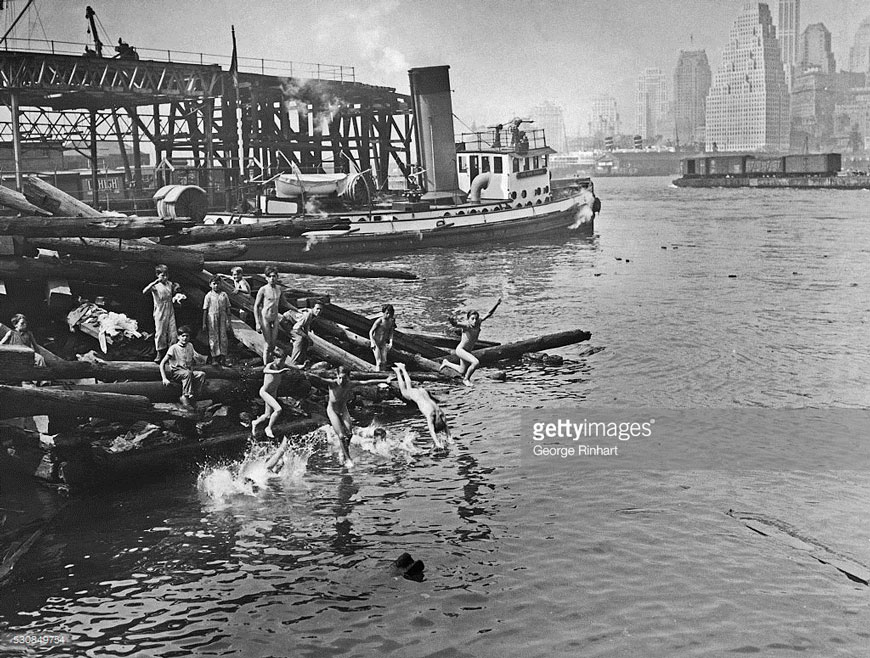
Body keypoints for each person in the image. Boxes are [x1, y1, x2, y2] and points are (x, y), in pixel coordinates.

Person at [441, 298, 501, 386]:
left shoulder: (478, 322)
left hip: (467, 351)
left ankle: (446, 363)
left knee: (462, 370)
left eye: (476, 319)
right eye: (472, 319)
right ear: (468, 319)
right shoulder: (466, 326)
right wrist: (451, 321)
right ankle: (466, 379)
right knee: (475, 362)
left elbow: (489, 313)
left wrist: (497, 304)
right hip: (461, 350)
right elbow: (456, 324)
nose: (474, 321)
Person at [307, 366, 358, 467]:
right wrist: (308, 375)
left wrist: (385, 380)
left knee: (349, 434)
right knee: (341, 436)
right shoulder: (332, 383)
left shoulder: (350, 384)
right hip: (332, 410)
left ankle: (342, 451)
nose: (341, 380)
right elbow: (320, 379)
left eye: (344, 378)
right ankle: (348, 459)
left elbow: (368, 382)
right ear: (337, 376)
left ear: (348, 377)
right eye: (339, 377)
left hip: (343, 410)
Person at [392, 363, 451, 446]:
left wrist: (450, 438)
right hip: (417, 395)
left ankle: (402, 369)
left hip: (423, 392)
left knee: (409, 387)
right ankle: (399, 371)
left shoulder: (441, 413)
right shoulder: (431, 415)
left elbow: (446, 426)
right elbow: (432, 431)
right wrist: (437, 443)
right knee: (404, 391)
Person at [143, 264, 183, 363]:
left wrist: (177, 293)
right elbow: (144, 291)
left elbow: (175, 290)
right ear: (157, 275)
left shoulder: (170, 284)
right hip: (160, 310)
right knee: (160, 332)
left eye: (166, 275)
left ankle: (172, 354)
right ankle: (160, 353)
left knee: (173, 332)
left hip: (170, 309)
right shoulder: (155, 286)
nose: (165, 277)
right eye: (162, 275)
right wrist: (156, 281)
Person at [159, 325, 207, 408]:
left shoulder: (190, 346)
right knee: (187, 373)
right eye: (183, 336)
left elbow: (192, 360)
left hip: (187, 372)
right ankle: (185, 396)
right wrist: (164, 378)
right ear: (178, 337)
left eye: (187, 336)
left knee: (201, 374)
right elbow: (162, 363)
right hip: (176, 373)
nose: (185, 338)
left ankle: (195, 396)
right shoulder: (173, 348)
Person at [251, 347, 294, 439]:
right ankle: (268, 428)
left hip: (272, 393)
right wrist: (278, 371)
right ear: (275, 359)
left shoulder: (282, 365)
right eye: (280, 360)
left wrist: (303, 366)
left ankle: (255, 422)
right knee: (278, 409)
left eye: (283, 360)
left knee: (267, 415)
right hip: (265, 392)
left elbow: (295, 366)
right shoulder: (270, 365)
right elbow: (265, 370)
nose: (282, 362)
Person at [253, 267, 283, 364]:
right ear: (266, 278)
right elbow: (256, 306)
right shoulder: (263, 290)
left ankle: (270, 362)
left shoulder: (279, 289)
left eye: (274, 276)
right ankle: (266, 366)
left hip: (275, 318)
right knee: (268, 344)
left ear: (277, 277)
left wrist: (297, 310)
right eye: (269, 276)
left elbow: (285, 303)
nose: (272, 278)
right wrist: (257, 322)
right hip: (265, 318)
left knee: (273, 344)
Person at [202, 275, 231, 366]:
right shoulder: (208, 295)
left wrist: (228, 322)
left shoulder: (224, 295)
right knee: (213, 337)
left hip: (222, 316)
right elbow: (205, 310)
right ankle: (214, 358)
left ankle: (223, 358)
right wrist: (204, 323)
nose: (216, 286)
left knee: (223, 337)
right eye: (214, 284)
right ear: (210, 284)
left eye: (218, 284)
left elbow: (228, 309)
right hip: (212, 316)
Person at [288, 302, 324, 367]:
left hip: (294, 323)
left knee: (305, 340)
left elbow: (306, 326)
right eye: (317, 309)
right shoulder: (307, 314)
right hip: (286, 321)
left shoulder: (312, 315)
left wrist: (308, 338)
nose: (319, 311)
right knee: (299, 339)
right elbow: (296, 328)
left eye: (321, 310)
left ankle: (302, 361)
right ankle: (293, 363)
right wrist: (306, 337)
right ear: (312, 308)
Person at [368, 304, 396, 371]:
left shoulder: (391, 321)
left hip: (383, 343)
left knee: (384, 362)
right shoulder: (379, 321)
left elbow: (391, 333)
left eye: (390, 313)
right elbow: (371, 331)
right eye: (387, 313)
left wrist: (391, 342)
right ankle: (377, 375)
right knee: (379, 362)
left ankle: (383, 375)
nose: (388, 315)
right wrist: (372, 342)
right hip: (376, 342)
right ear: (383, 312)